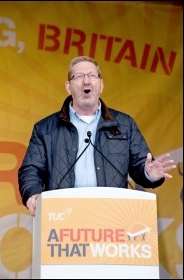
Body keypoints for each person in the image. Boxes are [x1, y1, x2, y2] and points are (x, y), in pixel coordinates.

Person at [18, 55, 176, 216]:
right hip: (64, 216)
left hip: (112, 217)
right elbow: (31, 170)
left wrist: (149, 173)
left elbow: (140, 167)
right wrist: (33, 193)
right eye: (79, 76)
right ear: (68, 86)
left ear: (100, 85)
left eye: (92, 75)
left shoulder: (124, 124)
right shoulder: (45, 128)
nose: (86, 81)